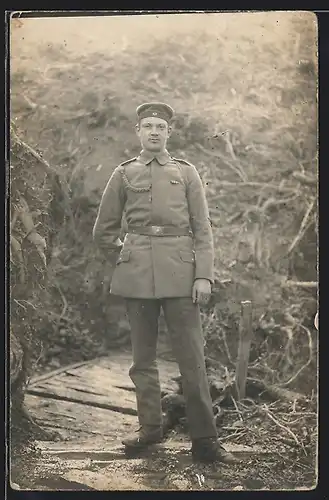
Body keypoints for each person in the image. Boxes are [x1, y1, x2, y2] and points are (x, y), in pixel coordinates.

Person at [93, 102, 236, 463]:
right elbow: (104, 231)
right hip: (136, 273)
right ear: (138, 132)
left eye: (160, 126)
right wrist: (123, 258)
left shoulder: (186, 173)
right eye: (148, 126)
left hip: (180, 274)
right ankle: (150, 429)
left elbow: (203, 230)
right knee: (142, 359)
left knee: (192, 358)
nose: (154, 131)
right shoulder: (123, 174)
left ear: (169, 133)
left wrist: (203, 275)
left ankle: (205, 440)